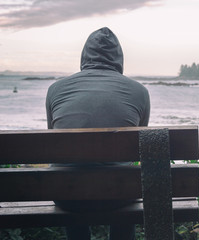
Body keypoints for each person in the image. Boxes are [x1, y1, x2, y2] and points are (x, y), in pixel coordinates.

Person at [46, 27, 150, 240]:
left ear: (84, 55)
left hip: (67, 194)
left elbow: (54, 144)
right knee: (124, 182)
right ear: (119, 57)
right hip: (119, 194)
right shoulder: (139, 91)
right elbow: (138, 150)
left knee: (67, 176)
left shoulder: (56, 89)